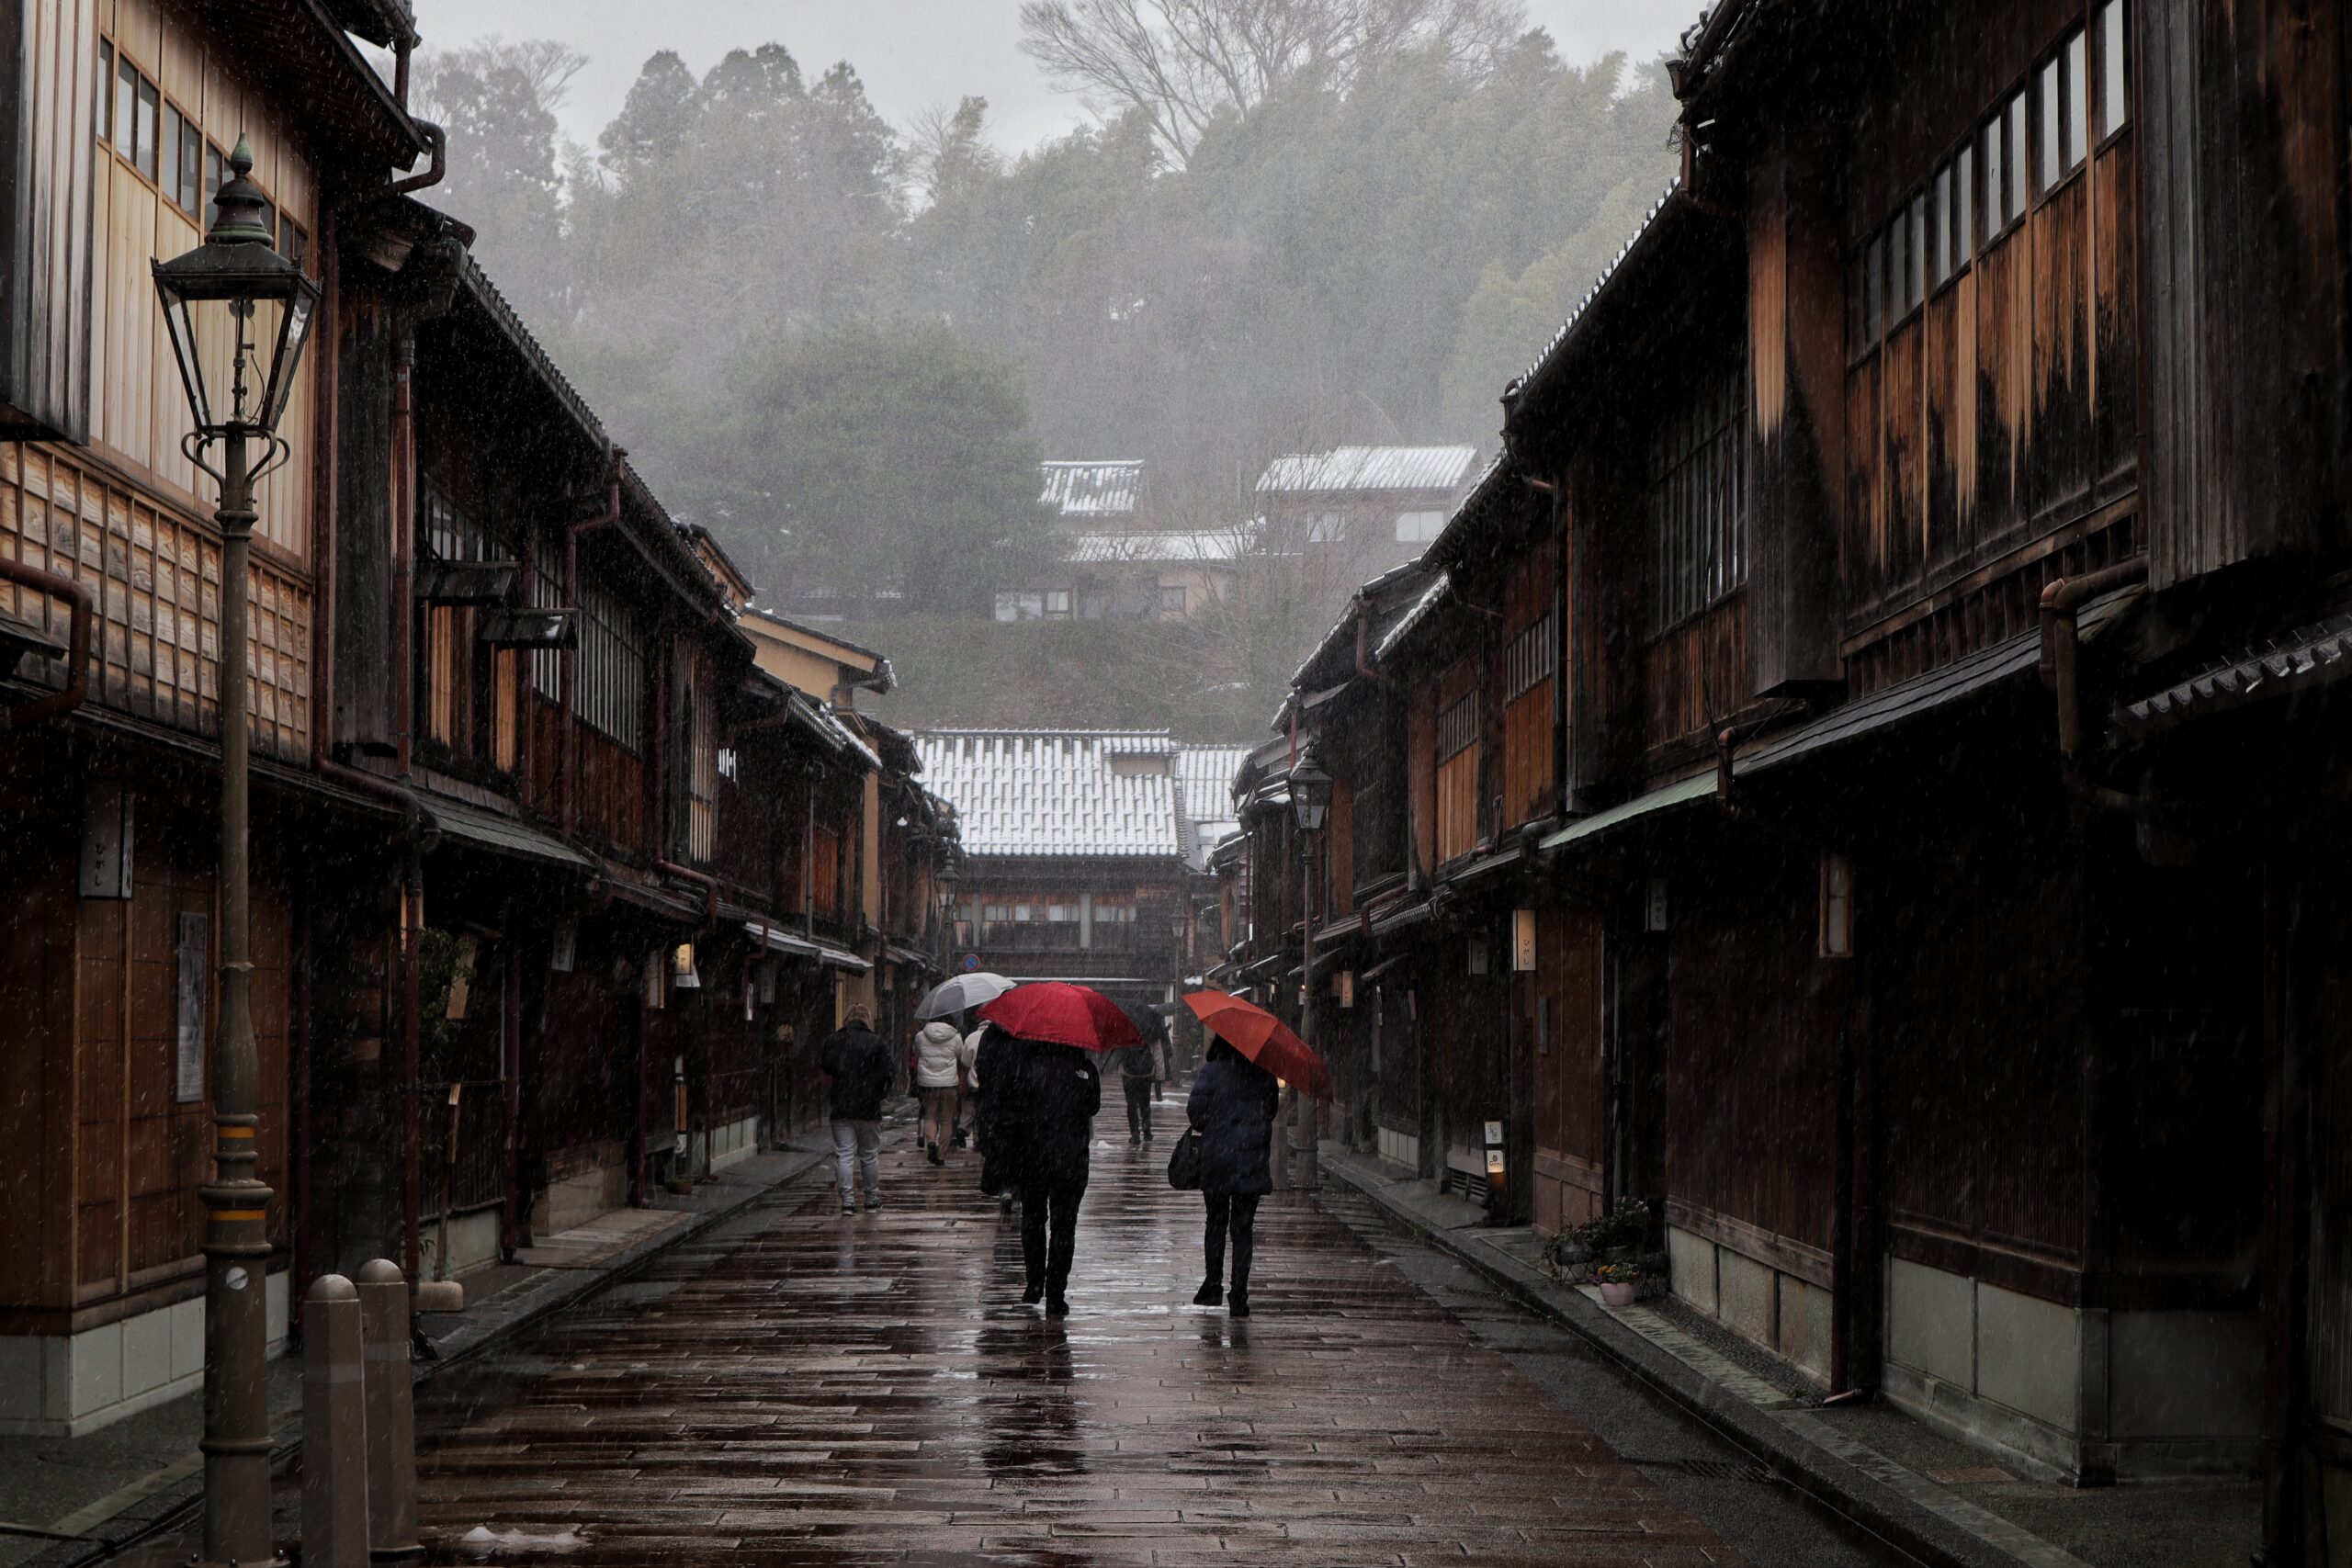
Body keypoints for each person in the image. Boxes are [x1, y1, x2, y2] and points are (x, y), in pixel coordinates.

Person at [1186, 1039, 1281, 1316]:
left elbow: (1196, 1115)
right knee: (1243, 1229)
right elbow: (1271, 1111)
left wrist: (1219, 1124)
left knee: (1215, 1222)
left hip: (1217, 1159)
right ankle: (1239, 1294)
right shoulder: (1264, 1074)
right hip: (1251, 1161)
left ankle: (1213, 1285)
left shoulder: (1211, 1072)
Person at [1014, 1040, 1101, 1315]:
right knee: (1064, 1226)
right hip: (1071, 1159)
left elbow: (1016, 1104)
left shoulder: (1027, 1066)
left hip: (1033, 1155)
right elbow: (1092, 1107)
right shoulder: (1084, 1069)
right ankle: (1055, 1294)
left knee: (1033, 1218)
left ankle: (1034, 1282)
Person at [819, 1003, 893, 1214]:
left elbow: (826, 1065)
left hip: (841, 1106)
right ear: (867, 1020)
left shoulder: (833, 1041)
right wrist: (879, 1094)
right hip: (869, 1107)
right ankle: (871, 1198)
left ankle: (848, 1202)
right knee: (869, 1154)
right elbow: (888, 1072)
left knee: (844, 1154)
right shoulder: (877, 1043)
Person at [911, 1017, 963, 1164]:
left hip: (928, 1084)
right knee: (946, 1119)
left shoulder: (920, 1036)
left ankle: (931, 1142)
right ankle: (941, 1155)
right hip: (949, 1083)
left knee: (930, 1115)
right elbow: (960, 1057)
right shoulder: (955, 1037)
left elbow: (917, 1054)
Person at [1117, 1035, 1162, 1145]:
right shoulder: (1151, 1029)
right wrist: (1160, 1075)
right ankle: (1146, 1128)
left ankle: (1135, 1133)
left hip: (1129, 1074)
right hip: (1145, 1074)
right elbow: (1157, 1053)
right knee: (1145, 1103)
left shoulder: (1125, 1026)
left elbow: (1119, 1050)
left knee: (1131, 1104)